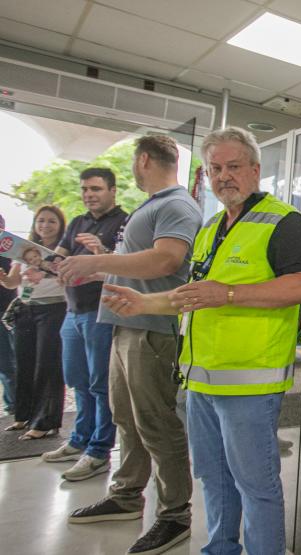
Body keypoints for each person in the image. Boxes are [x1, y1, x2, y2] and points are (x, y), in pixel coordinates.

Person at [101, 126, 301, 555]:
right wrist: (143, 303)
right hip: (200, 384)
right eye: (215, 168)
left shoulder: (283, 221)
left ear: (256, 170)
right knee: (214, 482)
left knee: (256, 487)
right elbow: (193, 297)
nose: (224, 176)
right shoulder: (210, 227)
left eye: (233, 166)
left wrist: (232, 293)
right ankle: (219, 549)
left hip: (250, 387)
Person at [57, 135, 201, 555]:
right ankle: (125, 495)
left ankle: (175, 515)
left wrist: (96, 261)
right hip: (127, 326)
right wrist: (98, 272)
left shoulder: (175, 205)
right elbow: (142, 267)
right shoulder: (153, 205)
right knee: (127, 418)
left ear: (143, 160)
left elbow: (166, 261)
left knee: (156, 422)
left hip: (153, 330)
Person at [41, 168, 128, 482]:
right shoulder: (77, 222)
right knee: (77, 380)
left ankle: (99, 450)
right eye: (85, 189)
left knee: (101, 385)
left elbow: (127, 265)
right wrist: (40, 261)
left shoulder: (124, 222)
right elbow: (58, 258)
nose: (89, 194)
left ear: (112, 190)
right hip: (73, 311)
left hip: (101, 312)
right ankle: (79, 440)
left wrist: (100, 252)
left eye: (96, 188)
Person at [0, 206, 67, 439]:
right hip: (26, 309)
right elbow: (12, 283)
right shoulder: (22, 250)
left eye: (51, 221)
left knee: (47, 365)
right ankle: (23, 416)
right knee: (24, 363)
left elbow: (70, 278)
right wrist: (4, 277)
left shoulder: (62, 251)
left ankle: (45, 421)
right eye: (41, 221)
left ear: (60, 225)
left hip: (54, 308)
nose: (45, 225)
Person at [0, 215, 16, 415]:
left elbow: (10, 281)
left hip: (5, 311)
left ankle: (16, 404)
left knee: (8, 361)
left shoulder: (8, 249)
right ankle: (12, 403)